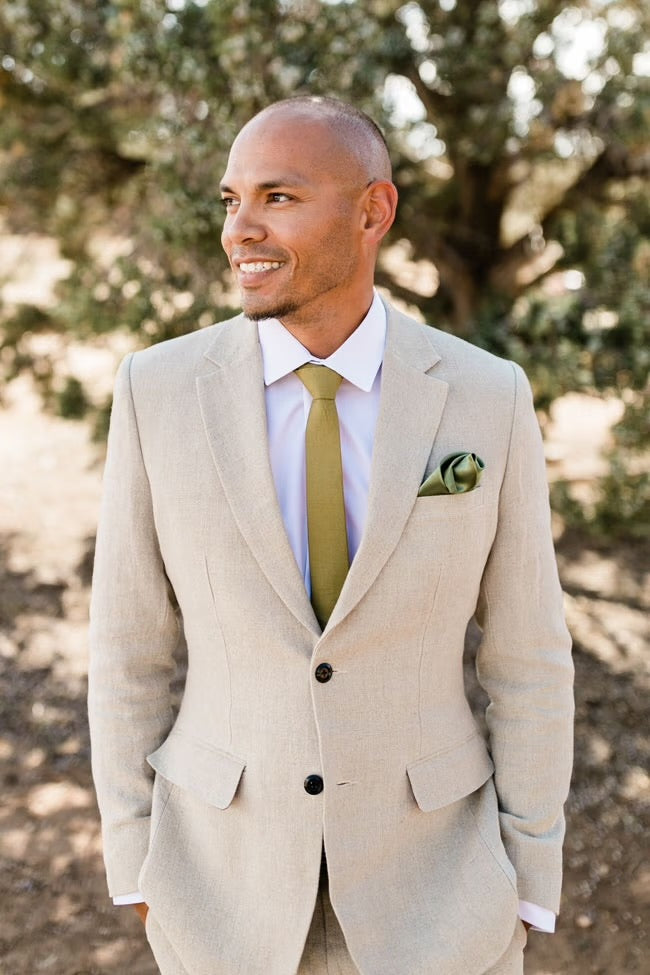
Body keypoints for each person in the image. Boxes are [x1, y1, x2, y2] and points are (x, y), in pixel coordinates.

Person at [88, 96, 574, 975]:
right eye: (232, 200)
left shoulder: (486, 396)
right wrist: (136, 859)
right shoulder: (155, 391)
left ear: (373, 211)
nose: (242, 229)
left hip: (439, 897)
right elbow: (128, 649)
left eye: (278, 197)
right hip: (219, 893)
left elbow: (527, 656)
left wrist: (528, 873)